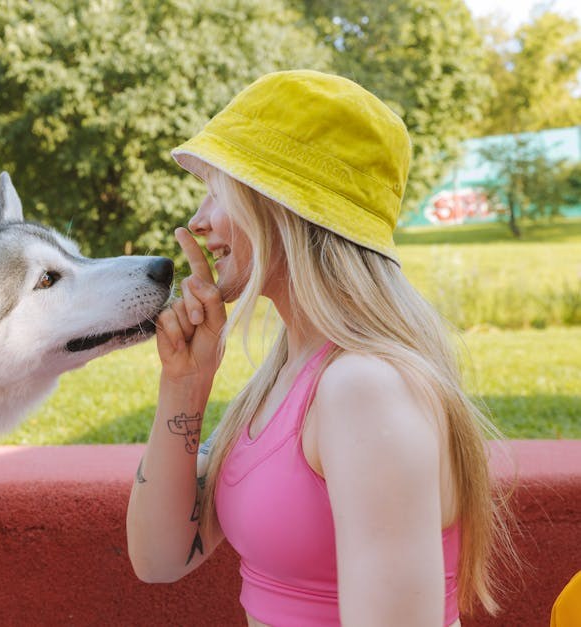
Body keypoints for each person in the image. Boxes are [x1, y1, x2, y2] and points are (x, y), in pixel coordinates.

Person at [126, 70, 513, 626]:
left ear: (281, 207)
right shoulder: (289, 371)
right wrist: (184, 385)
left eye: (218, 191)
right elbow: (159, 559)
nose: (199, 221)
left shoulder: (365, 387)